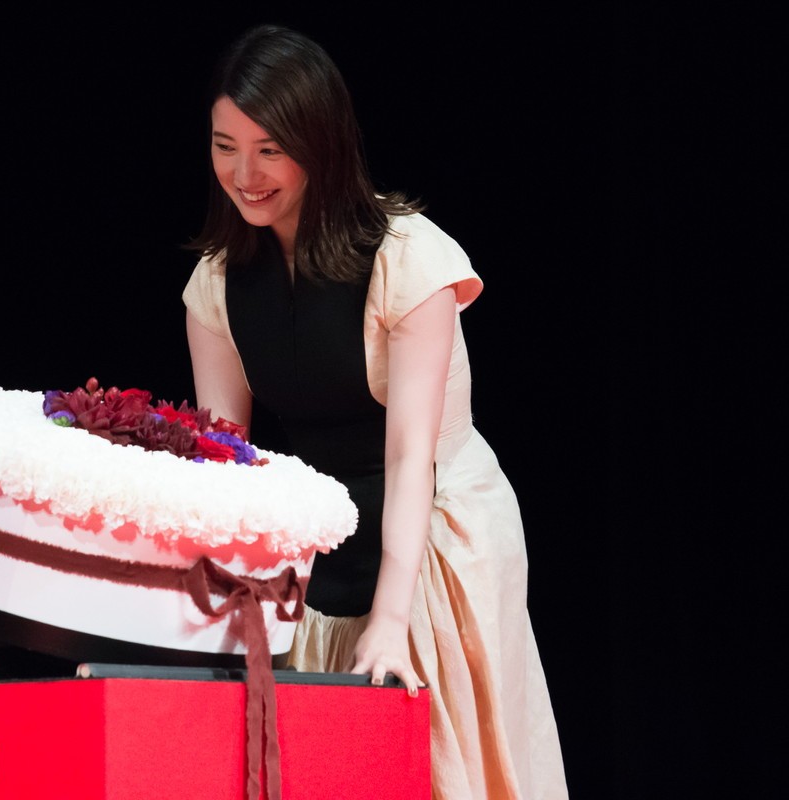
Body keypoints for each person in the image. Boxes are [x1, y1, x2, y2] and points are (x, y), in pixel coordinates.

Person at [182, 24, 568, 799]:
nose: (245, 173)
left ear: (320, 142)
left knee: (444, 770)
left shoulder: (408, 258)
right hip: (322, 538)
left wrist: (391, 615)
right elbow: (227, 467)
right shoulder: (218, 283)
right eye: (227, 146)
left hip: (434, 533)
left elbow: (409, 456)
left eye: (270, 149)